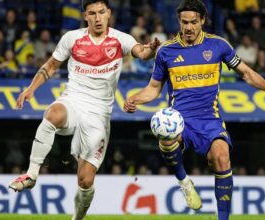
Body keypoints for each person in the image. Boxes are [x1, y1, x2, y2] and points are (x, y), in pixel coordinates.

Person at [123, 1, 265, 219]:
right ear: (179, 22)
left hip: (209, 118)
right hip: (180, 119)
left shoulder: (218, 45)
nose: (188, 27)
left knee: (221, 158)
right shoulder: (166, 51)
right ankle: (183, 180)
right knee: (163, 130)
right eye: (184, 22)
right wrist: (134, 99)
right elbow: (153, 89)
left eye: (193, 22)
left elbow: (246, 72)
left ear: (202, 21)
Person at [8, 0, 160, 219]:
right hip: (74, 98)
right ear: (85, 16)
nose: (97, 18)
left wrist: (151, 50)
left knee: (85, 180)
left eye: (101, 12)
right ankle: (31, 175)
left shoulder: (120, 39)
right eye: (92, 13)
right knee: (52, 114)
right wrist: (31, 89)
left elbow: (141, 52)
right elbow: (51, 65)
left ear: (109, 13)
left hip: (98, 112)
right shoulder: (72, 38)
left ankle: (77, 218)